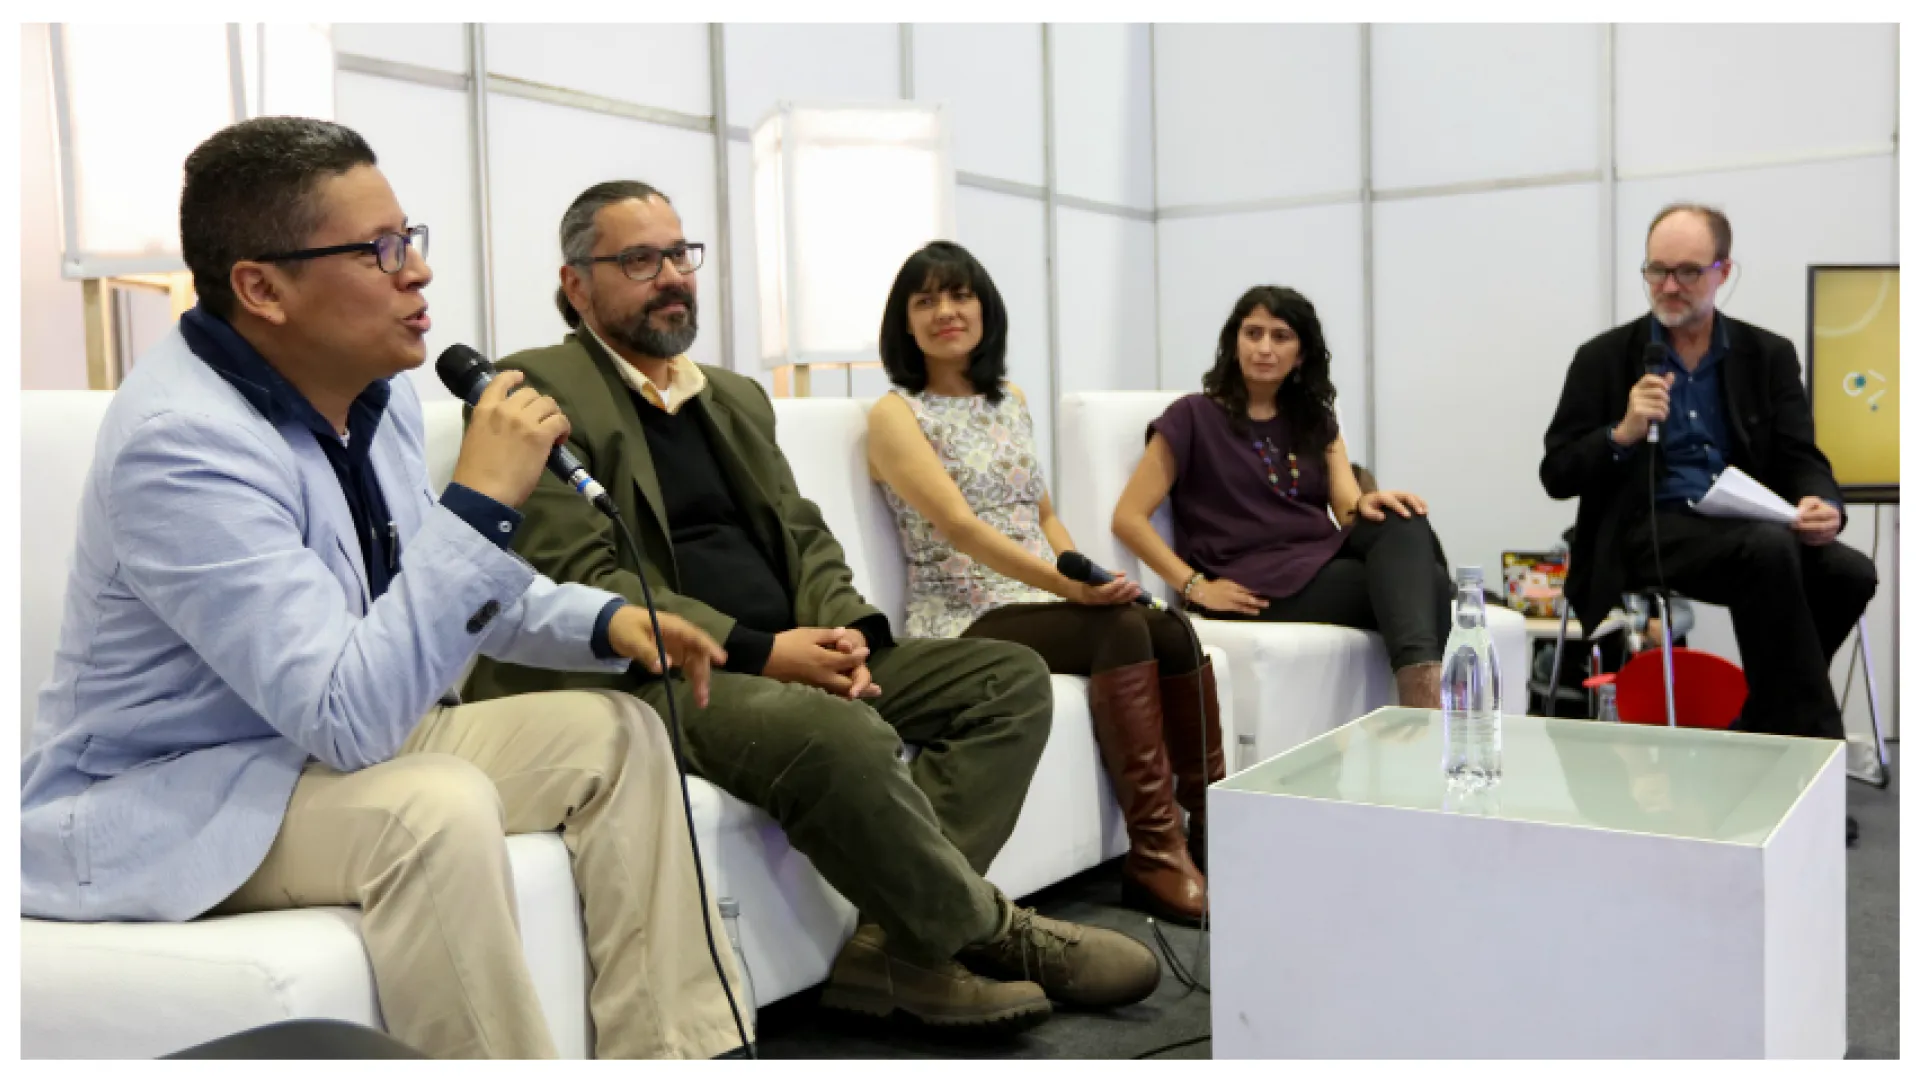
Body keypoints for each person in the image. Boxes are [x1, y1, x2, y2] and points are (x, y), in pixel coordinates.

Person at [19, 118, 749, 1060]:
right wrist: (481, 498)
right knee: (431, 806)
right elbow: (350, 716)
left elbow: (455, 591)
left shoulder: (378, 391)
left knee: (617, 735)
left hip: (322, 748)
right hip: (181, 789)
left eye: (411, 240)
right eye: (380, 250)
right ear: (261, 287)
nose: (418, 273)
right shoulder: (181, 445)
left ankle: (677, 1053)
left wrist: (611, 621)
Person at [462, 182, 1160, 1036]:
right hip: (660, 671)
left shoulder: (728, 394)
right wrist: (765, 651)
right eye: (640, 260)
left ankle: (894, 949)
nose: (672, 277)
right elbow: (586, 574)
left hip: (794, 650)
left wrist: (849, 638)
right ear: (577, 285)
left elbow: (805, 534)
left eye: (681, 255)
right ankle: (992, 931)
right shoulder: (538, 387)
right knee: (841, 733)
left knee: (1007, 680)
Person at [865, 240, 1219, 927]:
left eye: (960, 295)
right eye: (926, 300)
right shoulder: (895, 414)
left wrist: (1086, 573)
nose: (946, 311)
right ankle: (1154, 853)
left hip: (1039, 595)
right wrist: (1072, 594)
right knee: (1119, 627)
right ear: (903, 323)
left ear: (984, 308)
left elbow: (1045, 515)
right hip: (964, 613)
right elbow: (962, 528)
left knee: (1169, 627)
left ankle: (1213, 834)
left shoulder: (1009, 400)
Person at [1541, 204, 1876, 755]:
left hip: (1745, 524)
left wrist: (1822, 501)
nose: (1669, 286)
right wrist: (1622, 432)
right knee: (1767, 551)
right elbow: (1556, 473)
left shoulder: (1766, 355)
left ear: (1724, 271)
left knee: (1850, 572)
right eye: (1656, 271)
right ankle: (1811, 756)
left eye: (1689, 272)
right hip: (1645, 530)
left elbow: (1800, 454)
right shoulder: (1603, 358)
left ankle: (1761, 729)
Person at [1112, 285, 1455, 710]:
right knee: (1433, 585)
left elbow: (1349, 510)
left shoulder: (1314, 419)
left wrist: (1372, 503)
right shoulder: (1191, 417)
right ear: (1233, 342)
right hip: (1250, 578)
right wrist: (1195, 586)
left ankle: (1419, 707)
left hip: (1318, 560)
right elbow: (1127, 517)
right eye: (1252, 333)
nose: (1264, 348)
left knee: (1402, 519)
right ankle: (1427, 714)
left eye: (1280, 336)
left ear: (1302, 353)